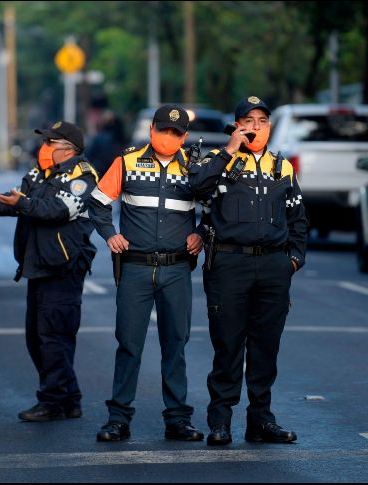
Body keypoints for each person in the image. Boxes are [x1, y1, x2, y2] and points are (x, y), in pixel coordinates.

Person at [188, 96, 308, 446]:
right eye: (248, 120)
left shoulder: (282, 167)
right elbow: (196, 189)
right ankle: (220, 421)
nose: (255, 126)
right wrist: (229, 149)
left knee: (265, 347)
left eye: (262, 121)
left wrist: (293, 261)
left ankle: (260, 421)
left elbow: (298, 219)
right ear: (237, 124)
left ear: (270, 127)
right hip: (229, 263)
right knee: (227, 346)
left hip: (273, 265)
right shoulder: (218, 159)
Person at [0, 121, 99, 422]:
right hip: (37, 263)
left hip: (63, 266)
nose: (44, 148)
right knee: (37, 338)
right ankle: (70, 398)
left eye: (49, 143)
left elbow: (58, 210)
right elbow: (18, 199)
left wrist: (23, 202)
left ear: (67, 149)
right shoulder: (40, 172)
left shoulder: (83, 176)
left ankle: (52, 401)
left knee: (54, 337)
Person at [87, 105, 204, 442]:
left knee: (176, 345)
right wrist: (110, 234)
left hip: (177, 267)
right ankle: (118, 419)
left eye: (175, 133)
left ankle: (178, 419)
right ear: (152, 129)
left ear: (184, 136)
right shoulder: (127, 161)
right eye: (163, 130)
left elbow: (215, 209)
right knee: (128, 344)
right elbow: (98, 201)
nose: (168, 137)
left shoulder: (194, 167)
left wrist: (201, 233)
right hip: (135, 267)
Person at [86, 110, 126, 178]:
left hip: (101, 172)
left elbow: (89, 156)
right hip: (114, 173)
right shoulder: (119, 138)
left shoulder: (99, 138)